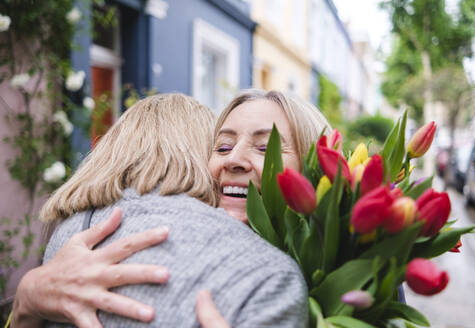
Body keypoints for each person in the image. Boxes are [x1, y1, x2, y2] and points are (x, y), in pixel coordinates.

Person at [12, 90, 331, 327]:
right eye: (222, 147)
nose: (232, 160)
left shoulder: (307, 279)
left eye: (266, 148)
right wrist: (27, 300)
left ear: (318, 168)